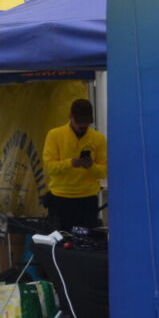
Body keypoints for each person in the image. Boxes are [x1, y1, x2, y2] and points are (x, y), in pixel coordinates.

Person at [42, 98, 107, 233]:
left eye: (86, 124)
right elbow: (49, 167)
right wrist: (70, 163)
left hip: (87, 200)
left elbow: (105, 171)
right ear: (70, 117)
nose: (83, 127)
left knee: (87, 243)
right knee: (60, 241)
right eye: (79, 123)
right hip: (60, 199)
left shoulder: (98, 139)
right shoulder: (54, 135)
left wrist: (91, 167)